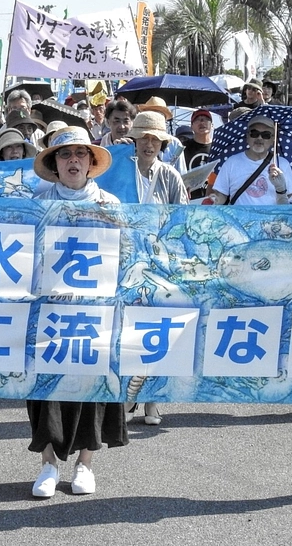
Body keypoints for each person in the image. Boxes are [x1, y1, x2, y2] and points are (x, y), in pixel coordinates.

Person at [28, 127, 127, 497]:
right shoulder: (37, 203)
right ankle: (48, 464)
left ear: (91, 161)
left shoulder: (109, 204)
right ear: (54, 163)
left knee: (92, 387)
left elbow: (127, 255)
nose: (73, 161)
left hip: (95, 312)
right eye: (65, 154)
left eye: (80, 154)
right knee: (44, 388)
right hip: (48, 311)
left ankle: (85, 464)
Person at [123, 111, 189, 426]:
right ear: (134, 140)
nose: (149, 144)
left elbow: (183, 219)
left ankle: (153, 400)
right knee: (126, 330)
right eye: (144, 138)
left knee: (158, 330)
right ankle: (127, 395)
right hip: (126, 261)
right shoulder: (121, 170)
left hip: (160, 265)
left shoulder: (170, 176)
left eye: (155, 139)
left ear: (162, 143)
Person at [208, 114, 292, 206]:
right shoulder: (231, 162)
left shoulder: (282, 164)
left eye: (266, 135)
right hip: (239, 215)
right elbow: (222, 194)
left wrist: (281, 189)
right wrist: (215, 199)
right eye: (254, 133)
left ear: (273, 140)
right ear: (247, 136)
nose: (259, 138)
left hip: (271, 215)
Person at [182, 108, 216, 200]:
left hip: (213, 200)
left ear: (212, 125)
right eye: (197, 120)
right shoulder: (183, 148)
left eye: (206, 119)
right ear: (191, 126)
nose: (202, 122)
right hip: (189, 200)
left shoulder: (218, 148)